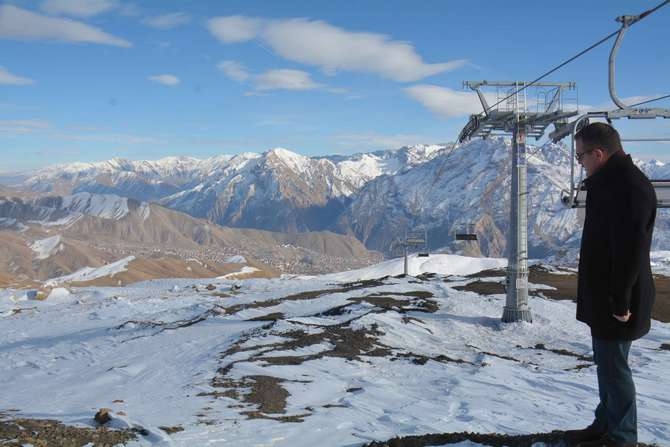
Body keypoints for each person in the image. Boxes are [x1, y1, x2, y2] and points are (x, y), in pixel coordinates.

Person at [565, 122, 656, 447]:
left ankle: (621, 437)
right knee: (607, 365)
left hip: (617, 300)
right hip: (606, 296)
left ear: (598, 153)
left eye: (581, 157)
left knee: (615, 369)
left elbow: (630, 249)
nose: (580, 163)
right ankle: (605, 423)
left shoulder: (627, 188)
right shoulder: (612, 183)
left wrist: (620, 302)